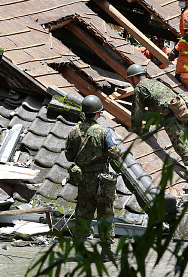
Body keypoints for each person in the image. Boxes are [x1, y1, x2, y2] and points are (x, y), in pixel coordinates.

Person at [126, 64, 188, 189]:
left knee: (179, 142)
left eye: (129, 80)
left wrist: (136, 128)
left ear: (134, 78)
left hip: (171, 115)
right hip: (182, 109)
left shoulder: (140, 88)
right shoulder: (154, 82)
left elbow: (137, 111)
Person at [64, 95, 121, 261]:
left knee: (83, 212)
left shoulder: (74, 131)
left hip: (83, 179)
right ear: (98, 113)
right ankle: (106, 252)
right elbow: (115, 153)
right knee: (105, 214)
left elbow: (68, 156)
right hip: (102, 180)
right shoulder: (103, 132)